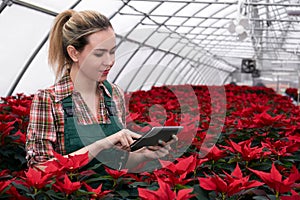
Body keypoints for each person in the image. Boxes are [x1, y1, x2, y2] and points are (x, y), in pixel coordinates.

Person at [25, 9, 177, 172]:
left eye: (112, 52)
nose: (110, 61)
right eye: (99, 54)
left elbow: (118, 163)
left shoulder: (114, 95)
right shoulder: (49, 100)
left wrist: (144, 155)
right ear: (74, 53)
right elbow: (39, 168)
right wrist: (102, 144)